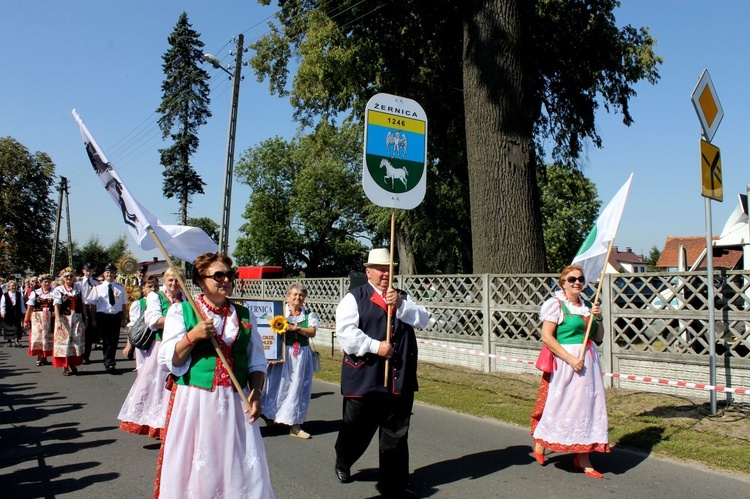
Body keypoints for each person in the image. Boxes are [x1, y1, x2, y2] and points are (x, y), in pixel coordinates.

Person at [155, 253, 274, 498]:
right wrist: (192, 336)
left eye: (230, 274)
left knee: (237, 466)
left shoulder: (243, 314)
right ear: (200, 281)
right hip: (197, 402)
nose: (226, 280)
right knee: (200, 464)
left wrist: (257, 393)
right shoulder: (183, 312)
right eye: (218, 275)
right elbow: (169, 360)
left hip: (235, 402)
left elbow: (257, 361)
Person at [334, 248, 429, 498]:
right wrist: (377, 347)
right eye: (380, 268)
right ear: (368, 272)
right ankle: (344, 460)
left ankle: (395, 486)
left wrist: (400, 305)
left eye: (389, 268)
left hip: (398, 380)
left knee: (396, 434)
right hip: (364, 378)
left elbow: (424, 319)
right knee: (356, 430)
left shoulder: (402, 298)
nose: (386, 273)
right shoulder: (354, 298)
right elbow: (346, 335)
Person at [530, 264, 609, 478]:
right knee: (562, 405)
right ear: (562, 282)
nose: (577, 283)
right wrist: (570, 359)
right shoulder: (555, 305)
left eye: (581, 279)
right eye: (572, 279)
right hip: (565, 363)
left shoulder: (587, 307)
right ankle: (541, 441)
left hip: (589, 364)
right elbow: (547, 337)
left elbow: (598, 337)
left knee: (588, 408)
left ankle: (583, 457)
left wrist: (598, 317)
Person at [118, 272, 179, 439]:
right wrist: (181, 319)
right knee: (159, 387)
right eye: (170, 280)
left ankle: (174, 425)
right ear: (165, 282)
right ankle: (159, 426)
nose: (174, 283)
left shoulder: (187, 299)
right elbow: (153, 321)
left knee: (179, 388)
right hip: (161, 347)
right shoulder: (156, 297)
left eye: (177, 280)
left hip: (182, 348)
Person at [261, 282, 319, 439]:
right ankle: (271, 414)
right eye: (295, 294)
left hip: (301, 355)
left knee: (297, 388)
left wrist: (297, 329)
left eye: (301, 295)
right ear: (288, 297)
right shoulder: (280, 313)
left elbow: (312, 332)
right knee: (278, 385)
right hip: (283, 353)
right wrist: (271, 354)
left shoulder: (309, 315)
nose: (298, 298)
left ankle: (295, 425)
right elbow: (269, 333)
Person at [92, 263, 127, 374]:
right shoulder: (98, 288)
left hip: (115, 316)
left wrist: (124, 318)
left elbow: (124, 305)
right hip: (102, 316)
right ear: (104, 273)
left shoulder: (120, 288)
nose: (110, 274)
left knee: (113, 341)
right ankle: (107, 360)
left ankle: (110, 363)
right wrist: (93, 318)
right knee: (106, 340)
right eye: (107, 272)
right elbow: (92, 304)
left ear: (115, 274)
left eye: (112, 272)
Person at [52, 269, 85, 376]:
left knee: (75, 340)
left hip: (77, 317)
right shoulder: (59, 290)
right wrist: (57, 320)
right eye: (66, 277)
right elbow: (56, 306)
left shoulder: (78, 288)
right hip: (64, 317)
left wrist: (86, 317)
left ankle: (73, 363)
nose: (69, 278)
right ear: (63, 278)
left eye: (71, 276)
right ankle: (65, 366)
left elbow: (83, 304)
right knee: (64, 341)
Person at [24, 274, 55, 365]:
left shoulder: (54, 292)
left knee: (48, 337)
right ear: (40, 283)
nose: (47, 283)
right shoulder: (35, 293)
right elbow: (29, 307)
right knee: (38, 337)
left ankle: (44, 357)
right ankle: (39, 356)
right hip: (38, 318)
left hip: (50, 318)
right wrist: (26, 320)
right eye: (45, 282)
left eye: (49, 282)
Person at [79, 262, 100, 365]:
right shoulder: (78, 282)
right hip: (81, 308)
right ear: (83, 271)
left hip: (92, 308)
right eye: (87, 270)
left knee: (89, 332)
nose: (89, 272)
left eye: (91, 270)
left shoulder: (96, 283)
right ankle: (79, 355)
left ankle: (86, 356)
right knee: (80, 332)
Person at [1, 280, 26, 347]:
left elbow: (21, 304)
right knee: (8, 327)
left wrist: (24, 312)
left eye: (14, 286)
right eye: (12, 286)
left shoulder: (19, 294)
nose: (13, 287)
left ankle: (16, 341)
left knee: (17, 326)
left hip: (17, 312)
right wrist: (3, 312)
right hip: (8, 313)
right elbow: (2, 304)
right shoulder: (5, 295)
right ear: (8, 287)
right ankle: (9, 341)